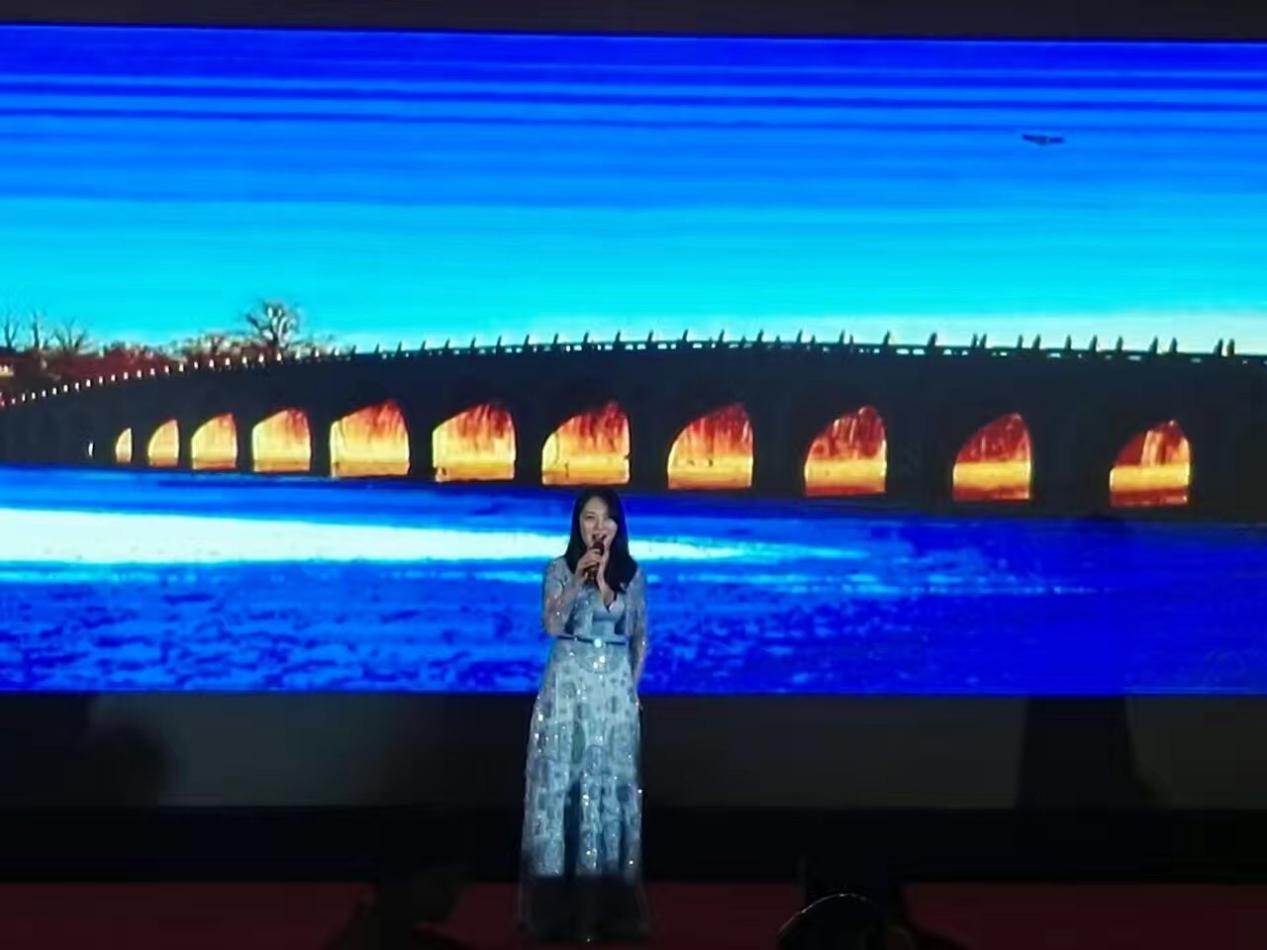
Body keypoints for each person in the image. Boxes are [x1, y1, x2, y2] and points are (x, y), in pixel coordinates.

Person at [517, 487, 650, 944]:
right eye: (590, 518)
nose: (598, 527)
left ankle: (605, 907)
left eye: (607, 519)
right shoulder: (558, 569)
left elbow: (640, 636)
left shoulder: (632, 574)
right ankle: (555, 910)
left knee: (608, 791)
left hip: (612, 691)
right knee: (564, 788)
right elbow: (551, 625)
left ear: (618, 526)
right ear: (578, 523)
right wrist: (578, 579)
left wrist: (630, 691)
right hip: (568, 685)